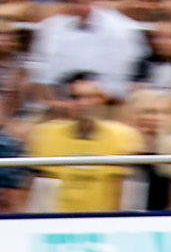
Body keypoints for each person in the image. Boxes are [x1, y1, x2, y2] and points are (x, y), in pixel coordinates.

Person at [25, 72, 140, 212]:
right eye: (75, 97)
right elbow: (39, 191)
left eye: (89, 97)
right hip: (58, 221)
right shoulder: (46, 134)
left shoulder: (123, 136)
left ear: (102, 99)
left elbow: (122, 192)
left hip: (101, 222)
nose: (82, 103)